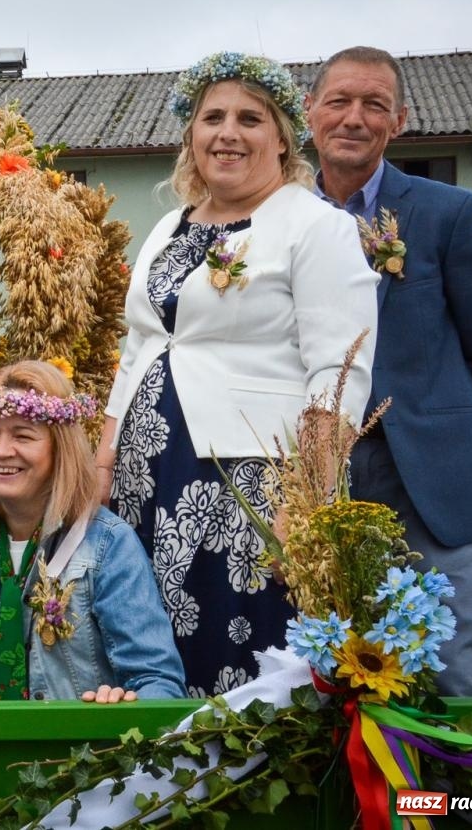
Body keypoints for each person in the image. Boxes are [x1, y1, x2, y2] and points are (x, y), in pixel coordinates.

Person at [95, 52, 378, 697]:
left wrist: (305, 499)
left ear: (282, 136)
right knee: (148, 636)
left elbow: (340, 369)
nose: (228, 133)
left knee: (239, 642)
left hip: (248, 483)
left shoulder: (317, 227)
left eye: (250, 118)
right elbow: (142, 340)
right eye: (212, 117)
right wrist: (105, 458)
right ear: (191, 134)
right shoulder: (171, 226)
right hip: (149, 474)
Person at [308, 46, 472, 696]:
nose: (354, 118)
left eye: (374, 105)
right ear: (310, 112)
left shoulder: (450, 214)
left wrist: (446, 443)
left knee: (454, 673)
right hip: (317, 479)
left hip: (429, 484)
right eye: (339, 100)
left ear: (398, 120)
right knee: (324, 669)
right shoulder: (281, 218)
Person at [0, 361, 185, 703]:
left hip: (78, 751)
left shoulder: (107, 543)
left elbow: (157, 680)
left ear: (60, 446)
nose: (0, 451)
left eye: (23, 435)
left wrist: (119, 706)